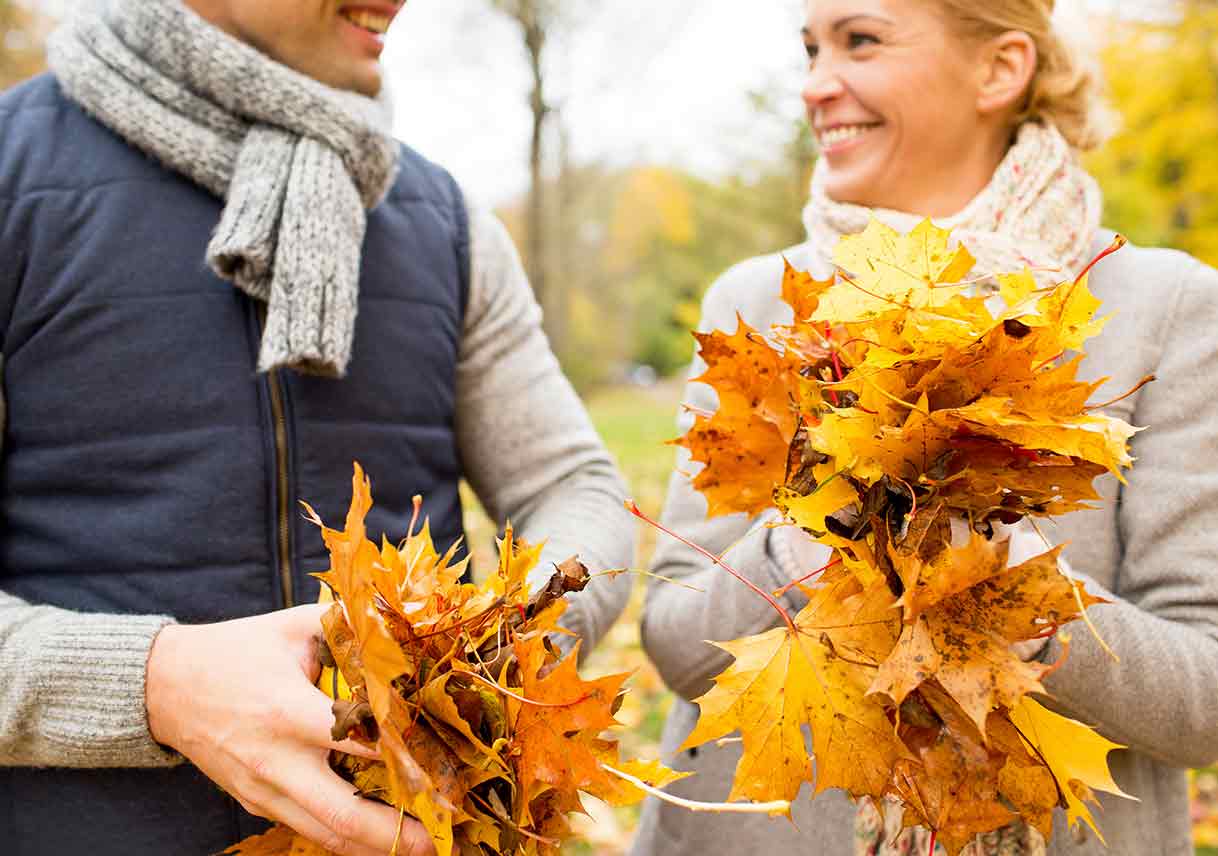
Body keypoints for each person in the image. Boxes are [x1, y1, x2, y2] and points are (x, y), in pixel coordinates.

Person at [0, 1, 635, 854]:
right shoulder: (13, 179)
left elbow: (573, 485)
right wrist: (156, 685)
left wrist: (494, 644)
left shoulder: (443, 219)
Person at [634, 1, 1218, 855]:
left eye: (860, 41)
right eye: (810, 49)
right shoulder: (760, 308)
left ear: (1000, 68)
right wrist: (796, 555)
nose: (815, 85)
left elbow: (1205, 699)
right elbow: (679, 648)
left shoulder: (1162, 309)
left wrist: (1024, 592)